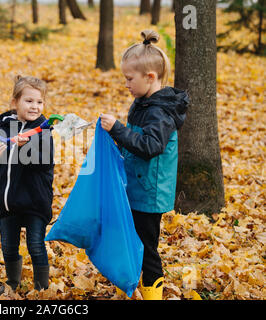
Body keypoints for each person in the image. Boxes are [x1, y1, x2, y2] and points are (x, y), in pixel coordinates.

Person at [100, 30, 189, 300]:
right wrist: (116, 139)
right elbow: (135, 140)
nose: (126, 84)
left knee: (146, 248)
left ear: (150, 77)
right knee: (127, 241)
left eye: (129, 78)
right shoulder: (141, 102)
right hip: (134, 187)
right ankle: (125, 288)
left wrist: (118, 130)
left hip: (150, 194)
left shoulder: (161, 111)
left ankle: (152, 294)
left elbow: (150, 147)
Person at [0, 75, 54, 292]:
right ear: (15, 103)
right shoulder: (5, 128)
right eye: (29, 101)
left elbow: (44, 162)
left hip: (35, 201)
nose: (35, 106)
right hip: (9, 200)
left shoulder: (43, 130)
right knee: (9, 246)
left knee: (35, 244)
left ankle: (41, 288)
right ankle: (12, 283)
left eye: (39, 102)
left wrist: (25, 148)